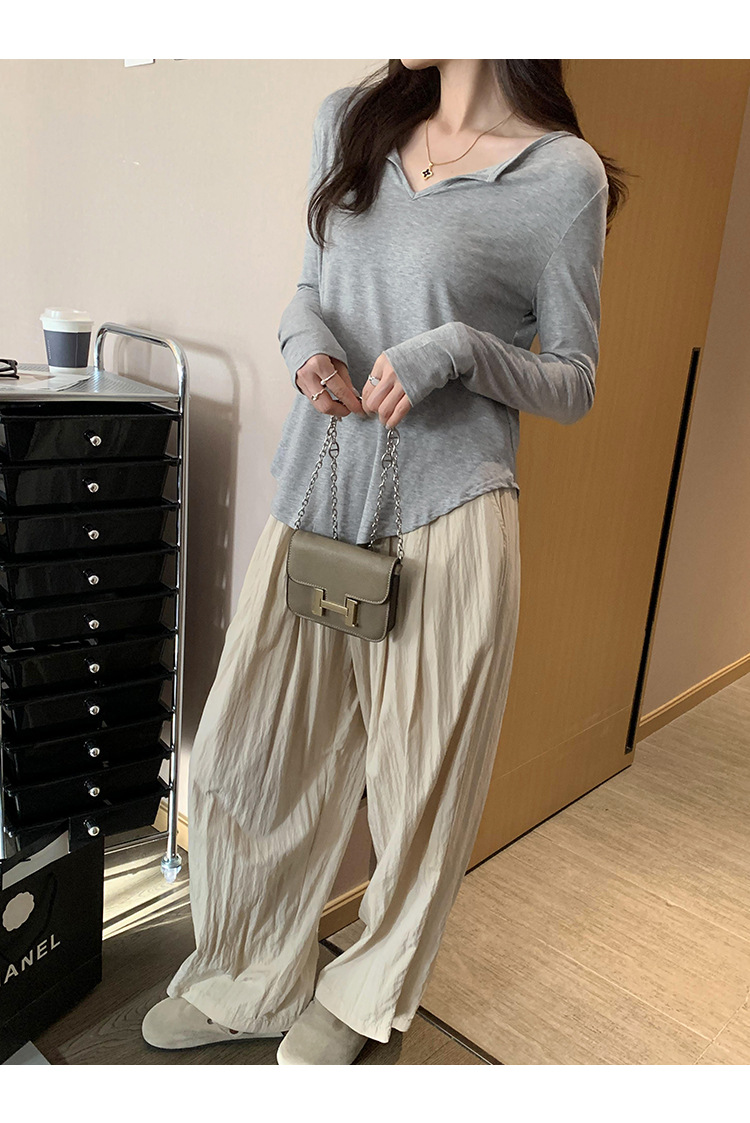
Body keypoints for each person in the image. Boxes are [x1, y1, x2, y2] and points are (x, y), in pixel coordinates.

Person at [142, 58, 625, 1065]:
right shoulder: (352, 119)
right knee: (242, 756)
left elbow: (575, 381)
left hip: (451, 514)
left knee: (418, 790)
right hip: (320, 494)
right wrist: (305, 348)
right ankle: (248, 976)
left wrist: (460, 350)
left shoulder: (562, 176)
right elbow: (309, 291)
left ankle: (364, 995)